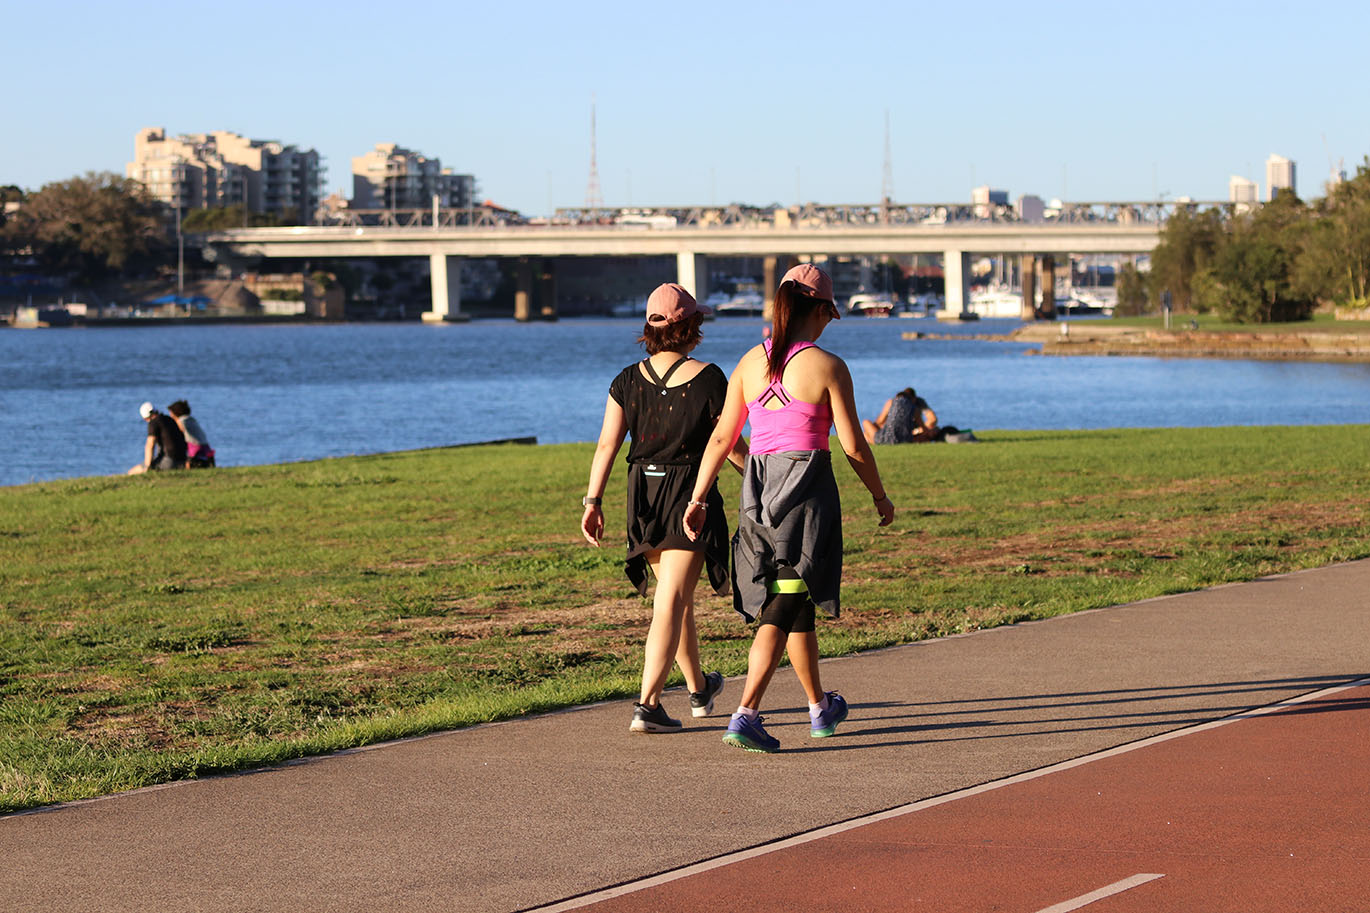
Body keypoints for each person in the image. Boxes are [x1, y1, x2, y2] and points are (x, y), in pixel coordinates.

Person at [684, 264, 895, 753]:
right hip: (806, 491)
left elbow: (723, 437)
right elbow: (855, 445)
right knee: (784, 602)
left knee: (793, 597)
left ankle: (820, 706)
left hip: (757, 491)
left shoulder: (747, 363)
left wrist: (697, 498)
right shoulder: (827, 365)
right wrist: (879, 496)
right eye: (829, 315)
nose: (828, 324)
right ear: (819, 310)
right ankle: (746, 713)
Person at [581, 283, 748, 734]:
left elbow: (606, 446)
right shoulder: (710, 377)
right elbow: (725, 443)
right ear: (691, 327)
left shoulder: (625, 381)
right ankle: (648, 704)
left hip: (643, 495)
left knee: (676, 601)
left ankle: (699, 689)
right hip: (687, 493)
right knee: (671, 599)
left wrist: (593, 501)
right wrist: (757, 474)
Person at [127, 401, 187, 474]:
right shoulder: (169, 419)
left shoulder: (153, 423)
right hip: (183, 461)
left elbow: (150, 445)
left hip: (169, 461)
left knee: (132, 472)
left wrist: (147, 466)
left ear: (145, 418)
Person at [863, 387, 938, 444]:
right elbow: (926, 428)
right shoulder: (914, 408)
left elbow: (879, 421)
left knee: (865, 423)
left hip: (886, 438)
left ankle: (869, 440)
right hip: (906, 439)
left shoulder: (891, 402)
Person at [168, 400, 215, 468]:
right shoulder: (191, 419)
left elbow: (181, 427)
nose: (170, 414)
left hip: (195, 448)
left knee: (189, 463)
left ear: (175, 412)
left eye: (171, 412)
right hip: (205, 446)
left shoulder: (182, 420)